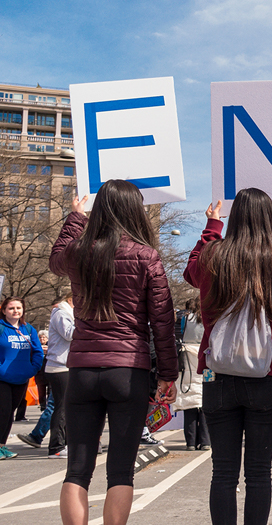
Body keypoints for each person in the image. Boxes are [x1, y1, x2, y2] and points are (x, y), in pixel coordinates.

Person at [49, 181, 178, 525]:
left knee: (76, 468)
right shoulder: (146, 256)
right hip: (128, 370)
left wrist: (75, 218)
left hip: (82, 370)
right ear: (135, 211)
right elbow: (162, 322)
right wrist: (168, 374)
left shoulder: (78, 252)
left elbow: (54, 260)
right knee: (121, 469)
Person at [185, 189, 272, 525]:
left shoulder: (214, 254)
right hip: (268, 374)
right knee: (258, 473)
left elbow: (189, 273)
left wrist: (212, 226)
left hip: (218, 375)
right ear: (269, 217)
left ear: (235, 217)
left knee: (222, 472)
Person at [18, 295, 74, 458]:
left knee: (64, 407)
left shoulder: (68, 313)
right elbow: (70, 334)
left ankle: (60, 443)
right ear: (70, 299)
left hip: (66, 366)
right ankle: (56, 446)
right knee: (61, 408)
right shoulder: (61, 313)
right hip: (60, 367)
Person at [0, 297, 44, 460]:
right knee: (3, 412)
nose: (15, 311)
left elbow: (38, 351)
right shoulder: (1, 328)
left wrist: (32, 369)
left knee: (10, 413)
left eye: (19, 308)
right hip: (2, 378)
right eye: (11, 308)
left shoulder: (29, 329)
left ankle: (2, 446)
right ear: (4, 310)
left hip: (22, 378)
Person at [174, 298, 209, 451]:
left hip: (186, 358)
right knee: (205, 402)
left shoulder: (184, 318)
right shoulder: (208, 317)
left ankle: (190, 442)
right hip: (205, 358)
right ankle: (206, 440)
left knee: (189, 402)